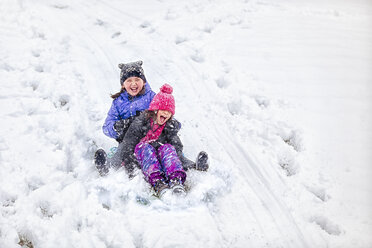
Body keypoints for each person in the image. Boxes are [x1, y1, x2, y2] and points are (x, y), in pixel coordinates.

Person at [96, 84, 209, 197]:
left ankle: (176, 180)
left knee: (169, 148)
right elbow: (128, 146)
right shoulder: (140, 123)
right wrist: (131, 170)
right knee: (144, 147)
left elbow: (177, 147)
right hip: (143, 158)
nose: (166, 113)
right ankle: (158, 183)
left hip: (161, 157)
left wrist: (185, 163)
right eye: (163, 110)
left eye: (169, 112)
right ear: (155, 110)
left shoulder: (169, 126)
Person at [102, 61, 156, 143]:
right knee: (126, 153)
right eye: (129, 80)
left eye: (137, 79)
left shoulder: (151, 97)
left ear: (144, 82)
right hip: (128, 143)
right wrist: (117, 126)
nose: (133, 84)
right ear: (123, 84)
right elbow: (106, 127)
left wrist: (171, 123)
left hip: (151, 139)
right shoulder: (118, 102)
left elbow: (165, 114)